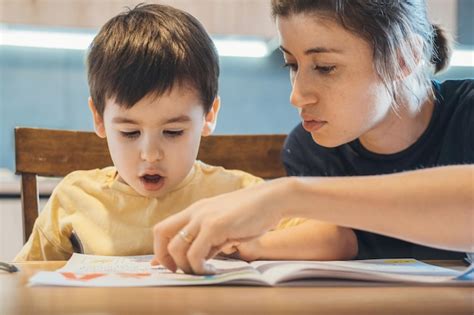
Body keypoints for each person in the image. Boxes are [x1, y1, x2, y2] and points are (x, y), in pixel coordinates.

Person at [151, 0, 474, 274]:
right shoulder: (311, 148)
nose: (298, 95)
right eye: (292, 64)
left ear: (404, 58)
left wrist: (287, 195)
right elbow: (338, 240)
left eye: (324, 67)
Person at [15, 3, 353, 263]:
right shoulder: (74, 197)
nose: (150, 154)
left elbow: (339, 238)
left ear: (209, 116)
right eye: (130, 133)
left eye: (173, 131)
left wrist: (249, 246)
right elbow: (23, 281)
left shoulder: (237, 194)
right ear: (99, 119)